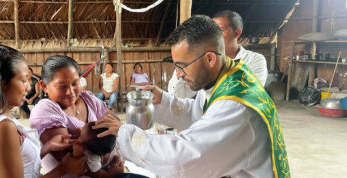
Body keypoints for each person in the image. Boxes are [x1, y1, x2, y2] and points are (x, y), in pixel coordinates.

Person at [93, 15, 289, 178]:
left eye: (182, 66)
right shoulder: (229, 76)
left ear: (210, 58)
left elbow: (183, 158)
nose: (178, 74)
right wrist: (164, 100)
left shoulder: (237, 107)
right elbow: (202, 113)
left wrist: (126, 135)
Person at [0, 45, 86, 178]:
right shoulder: (3, 128)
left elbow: (19, 164)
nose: (28, 87)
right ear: (0, 83)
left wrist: (48, 147)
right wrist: (63, 169)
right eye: (23, 80)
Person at [29, 55, 124, 177]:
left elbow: (117, 127)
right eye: (62, 86)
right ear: (44, 86)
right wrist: (106, 172)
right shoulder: (46, 110)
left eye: (75, 83)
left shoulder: (88, 99)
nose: (71, 91)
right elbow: (74, 162)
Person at [168, 10, 268, 99]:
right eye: (210, 31)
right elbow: (178, 95)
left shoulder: (255, 60)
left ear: (237, 33)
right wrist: (183, 67)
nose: (213, 36)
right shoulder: (202, 58)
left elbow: (248, 97)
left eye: (219, 31)